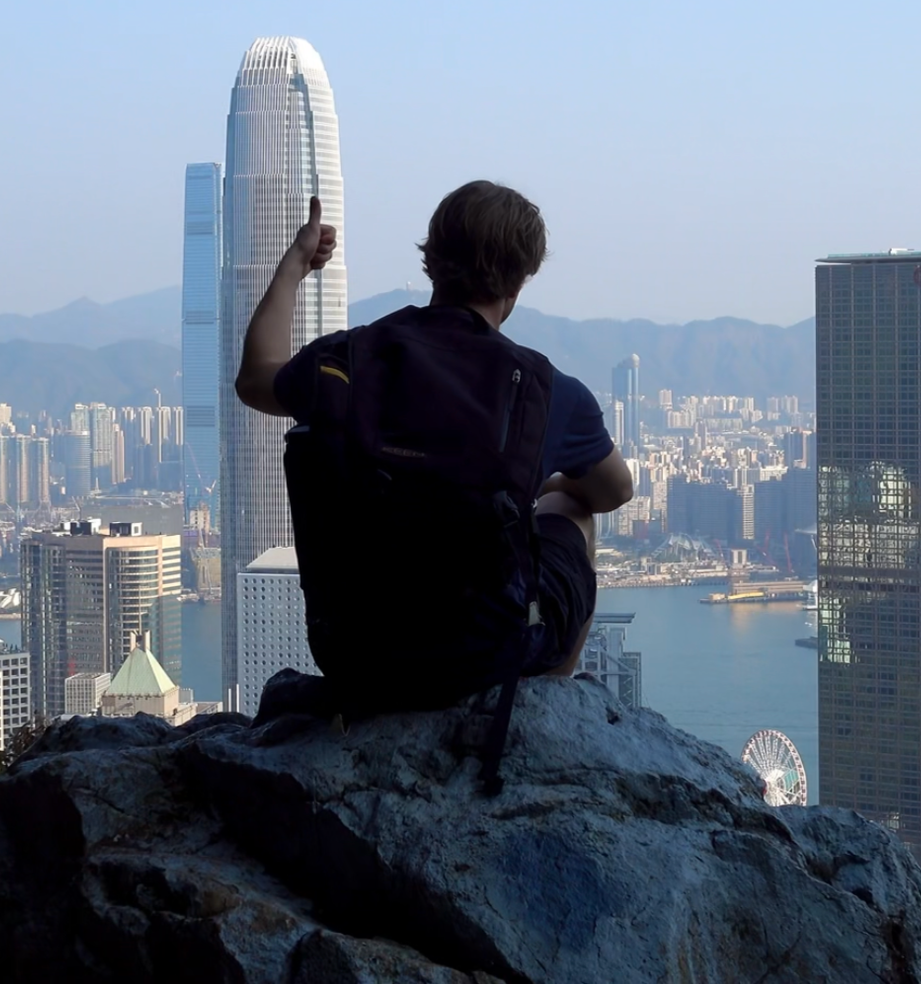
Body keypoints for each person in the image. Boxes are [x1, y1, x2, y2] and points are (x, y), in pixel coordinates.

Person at [234, 181, 633, 783]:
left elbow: (255, 378)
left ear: (430, 260)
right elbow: (613, 491)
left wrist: (295, 266)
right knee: (569, 505)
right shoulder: (546, 390)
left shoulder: (347, 361)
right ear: (520, 282)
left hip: (355, 653)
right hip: (481, 659)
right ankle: (547, 690)